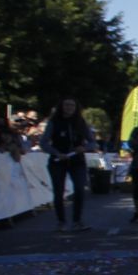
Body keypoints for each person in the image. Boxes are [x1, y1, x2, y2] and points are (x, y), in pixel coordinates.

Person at [40, 98, 95, 231]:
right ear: (61, 107)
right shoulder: (54, 122)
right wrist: (56, 153)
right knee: (59, 192)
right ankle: (61, 222)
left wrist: (84, 148)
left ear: (76, 108)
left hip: (77, 160)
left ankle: (77, 221)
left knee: (80, 189)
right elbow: (44, 142)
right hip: (58, 160)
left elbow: (92, 142)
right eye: (66, 105)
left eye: (72, 105)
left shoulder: (81, 123)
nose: (69, 107)